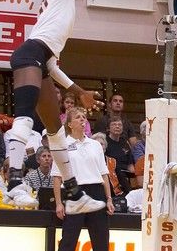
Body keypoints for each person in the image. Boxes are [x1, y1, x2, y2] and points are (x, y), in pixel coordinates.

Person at [6, 0, 105, 215]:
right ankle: (13, 184)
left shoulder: (54, 10)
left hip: (37, 57)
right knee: (24, 116)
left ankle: (74, 193)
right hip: (28, 55)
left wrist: (80, 90)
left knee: (55, 130)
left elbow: (50, 66)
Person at [54, 107, 115, 251]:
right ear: (69, 124)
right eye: (78, 117)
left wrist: (109, 199)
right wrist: (58, 203)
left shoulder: (95, 145)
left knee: (101, 240)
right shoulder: (62, 146)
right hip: (73, 191)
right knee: (69, 239)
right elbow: (57, 177)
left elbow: (104, 174)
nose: (83, 119)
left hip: (96, 191)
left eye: (84, 116)